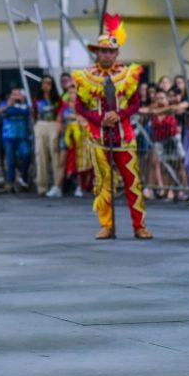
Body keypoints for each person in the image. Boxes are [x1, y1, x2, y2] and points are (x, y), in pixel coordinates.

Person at [73, 13, 152, 239]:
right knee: (103, 184)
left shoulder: (128, 75)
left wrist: (118, 115)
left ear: (116, 53)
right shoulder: (85, 76)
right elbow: (79, 107)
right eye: (102, 51)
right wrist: (100, 119)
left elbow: (136, 103)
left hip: (124, 139)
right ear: (96, 52)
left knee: (132, 183)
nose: (106, 55)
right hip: (98, 138)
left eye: (110, 51)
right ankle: (106, 224)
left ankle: (139, 226)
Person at [0, 87, 32, 193]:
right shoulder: (5, 104)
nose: (15, 97)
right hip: (8, 137)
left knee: (26, 154)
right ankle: (10, 183)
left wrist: (23, 102)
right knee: (10, 161)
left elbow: (31, 113)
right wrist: (8, 105)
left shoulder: (26, 105)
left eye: (17, 94)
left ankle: (23, 178)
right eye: (13, 94)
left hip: (22, 137)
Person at [34, 75, 62, 197]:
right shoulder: (36, 99)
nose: (46, 85)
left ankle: (57, 185)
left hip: (53, 124)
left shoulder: (57, 99)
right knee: (40, 155)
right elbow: (33, 113)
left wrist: (58, 127)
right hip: (40, 124)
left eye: (49, 83)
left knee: (55, 154)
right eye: (44, 83)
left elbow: (61, 113)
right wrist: (34, 126)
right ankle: (42, 186)